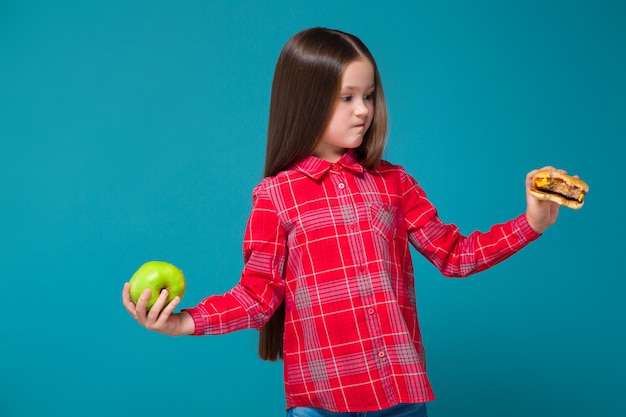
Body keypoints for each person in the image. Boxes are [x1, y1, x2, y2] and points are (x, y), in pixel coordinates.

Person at [122, 27, 563, 416]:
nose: (363, 111)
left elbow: (455, 255)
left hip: (400, 399)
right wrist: (183, 322)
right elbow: (257, 297)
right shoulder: (276, 196)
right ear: (307, 100)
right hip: (318, 403)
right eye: (347, 97)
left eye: (368, 96)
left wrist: (533, 221)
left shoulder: (394, 183)